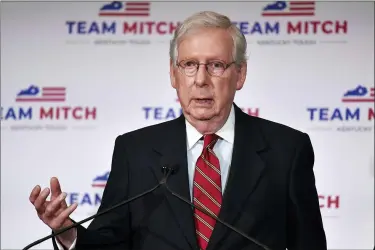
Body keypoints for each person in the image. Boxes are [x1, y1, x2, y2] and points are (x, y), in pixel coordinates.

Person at [29, 11, 327, 250]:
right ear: (173, 74)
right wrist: (68, 234)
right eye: (189, 65)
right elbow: (109, 243)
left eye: (216, 65)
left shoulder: (287, 150)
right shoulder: (135, 151)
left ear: (240, 74)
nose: (200, 80)